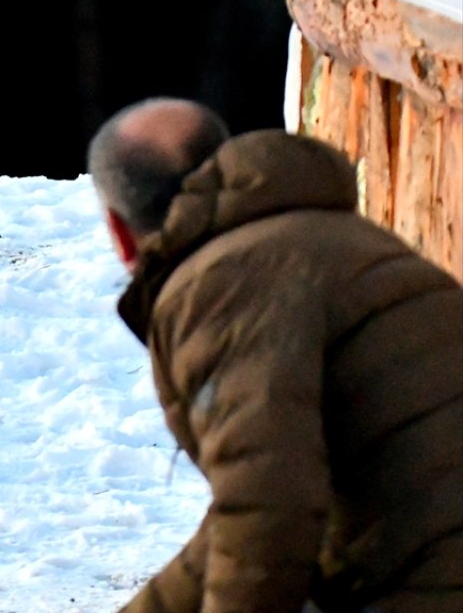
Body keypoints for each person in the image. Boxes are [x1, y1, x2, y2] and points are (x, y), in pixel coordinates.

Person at [87, 97, 463, 612]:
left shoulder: (221, 284)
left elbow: (269, 514)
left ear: (120, 232)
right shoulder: (339, 241)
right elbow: (244, 515)